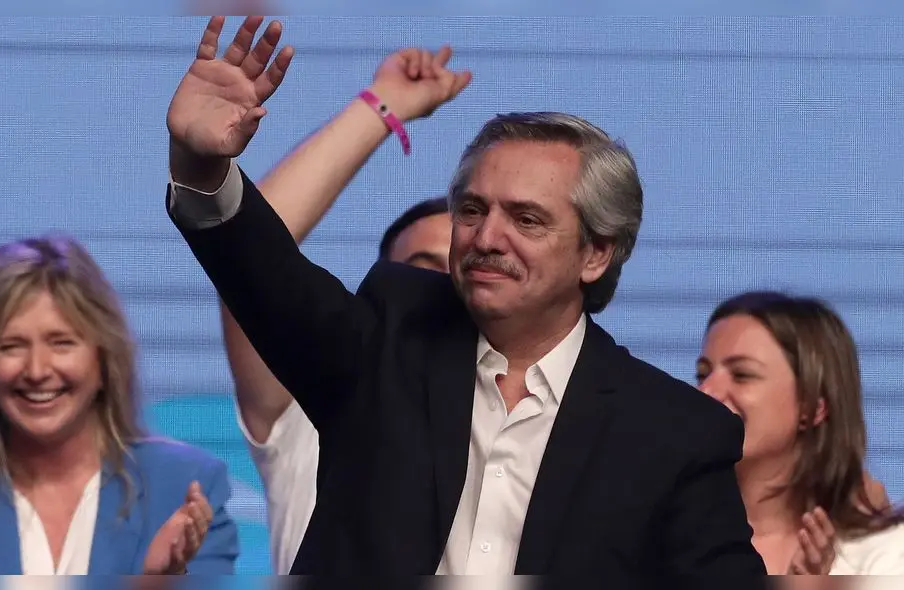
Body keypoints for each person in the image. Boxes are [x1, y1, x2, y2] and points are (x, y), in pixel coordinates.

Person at [165, 16, 767, 585]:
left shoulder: (674, 433)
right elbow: (263, 272)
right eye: (474, 211)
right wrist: (201, 163)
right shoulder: (390, 337)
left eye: (526, 219)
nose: (486, 237)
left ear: (595, 254)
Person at [218, 43, 465, 573]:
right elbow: (249, 245)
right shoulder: (313, 407)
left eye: (466, 273)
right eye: (424, 268)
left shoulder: (543, 427)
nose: (446, 289)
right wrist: (383, 105)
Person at [0, 235, 238, 575]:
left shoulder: (184, 487)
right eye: (11, 346)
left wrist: (158, 584)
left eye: (61, 343)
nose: (36, 370)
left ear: (104, 357)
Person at [696, 291, 904, 575]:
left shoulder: (884, 552)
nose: (707, 391)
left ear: (812, 407)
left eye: (742, 375)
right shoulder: (662, 538)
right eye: (702, 374)